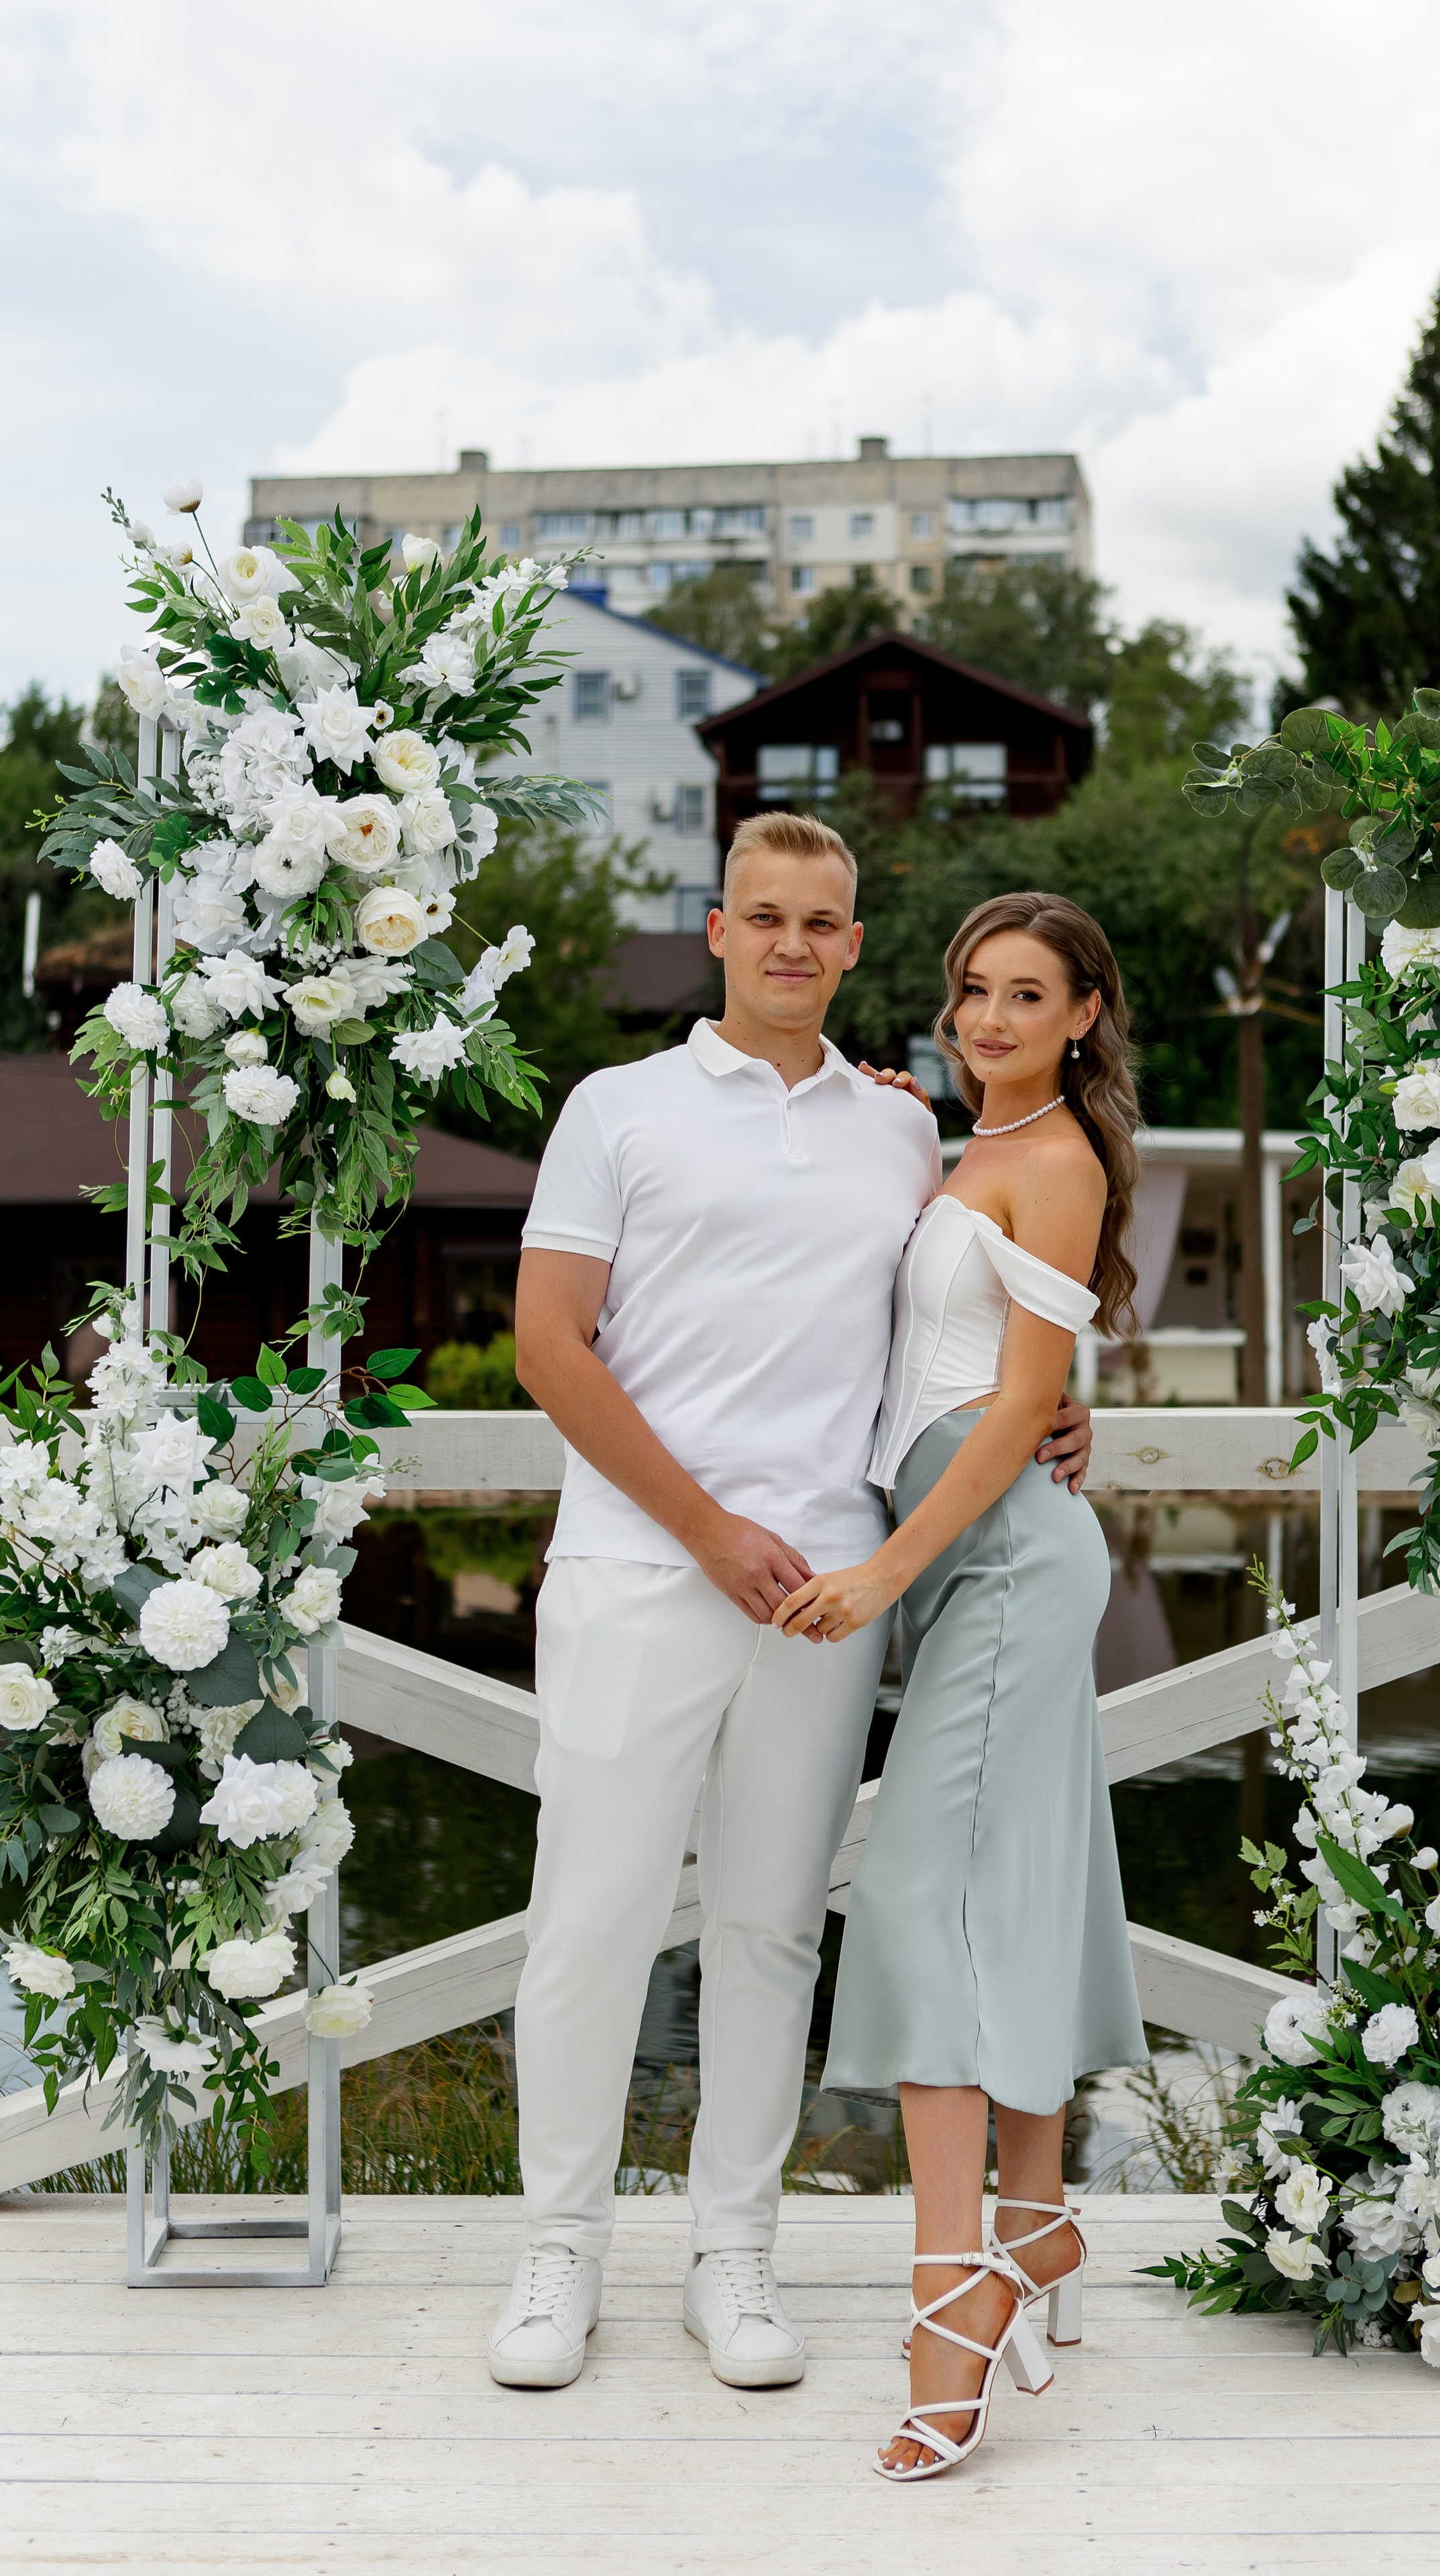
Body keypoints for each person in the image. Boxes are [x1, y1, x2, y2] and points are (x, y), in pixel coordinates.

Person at [487, 814, 1093, 2395]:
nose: (792, 945)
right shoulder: (615, 1109)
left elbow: (977, 1308)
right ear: (713, 928)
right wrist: (699, 1528)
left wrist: (1056, 1410)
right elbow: (551, 1344)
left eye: (823, 921)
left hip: (827, 1590)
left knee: (768, 1931)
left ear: (851, 944)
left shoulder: (902, 1128)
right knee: (592, 1920)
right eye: (763, 917)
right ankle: (559, 2251)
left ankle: (731, 2255)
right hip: (637, 1568)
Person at [775, 890, 1147, 2481]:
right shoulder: (955, 1144)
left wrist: (886, 1570)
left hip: (990, 1561)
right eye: (969, 991)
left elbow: (1013, 1413)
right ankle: (1039, 2216)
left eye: (1023, 995)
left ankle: (955, 2302)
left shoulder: (1054, 1160)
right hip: (989, 1552)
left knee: (920, 1895)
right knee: (1023, 1883)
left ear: (1081, 1015)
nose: (986, 1018)